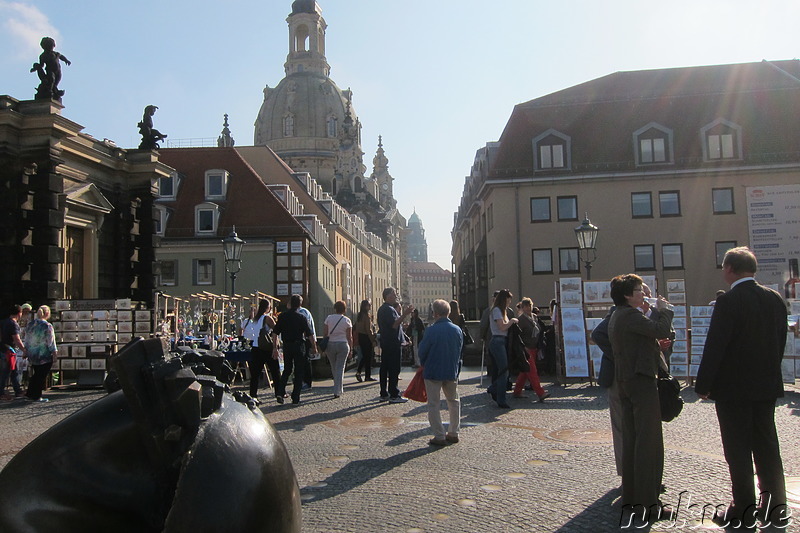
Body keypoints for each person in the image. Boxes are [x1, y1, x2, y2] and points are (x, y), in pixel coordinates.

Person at [695, 247, 789, 530]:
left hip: (733, 388)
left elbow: (716, 346)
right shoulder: (774, 299)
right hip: (765, 384)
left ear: (729, 269)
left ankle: (743, 508)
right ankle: (774, 507)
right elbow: (779, 342)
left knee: (737, 449)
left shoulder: (728, 302)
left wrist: (703, 385)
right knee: (767, 447)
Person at [608, 274, 674, 522]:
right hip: (640, 381)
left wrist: (656, 344)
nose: (643, 294)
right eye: (638, 290)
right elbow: (660, 328)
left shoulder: (620, 315)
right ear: (627, 295)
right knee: (649, 442)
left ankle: (632, 497)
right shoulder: (630, 315)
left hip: (626, 380)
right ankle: (648, 504)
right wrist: (664, 310)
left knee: (634, 440)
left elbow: (640, 341)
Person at [418, 299, 463, 446]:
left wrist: (424, 363)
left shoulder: (431, 330)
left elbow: (422, 352)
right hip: (451, 370)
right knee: (454, 402)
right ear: (448, 312)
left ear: (435, 313)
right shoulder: (457, 330)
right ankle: (453, 432)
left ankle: (439, 435)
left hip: (433, 371)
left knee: (434, 404)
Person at [591, 304, 622, 478]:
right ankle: (625, 472)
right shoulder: (618, 312)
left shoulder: (646, 314)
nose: (646, 296)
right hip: (618, 375)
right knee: (620, 425)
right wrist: (617, 355)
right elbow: (597, 334)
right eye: (642, 292)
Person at [272, 295, 317, 405]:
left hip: (287, 345)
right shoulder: (302, 317)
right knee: (299, 371)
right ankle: (295, 396)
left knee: (287, 369)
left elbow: (275, 333)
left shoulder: (283, 316)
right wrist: (314, 347)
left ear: (290, 303)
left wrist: (275, 347)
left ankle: (280, 392)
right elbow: (310, 334)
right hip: (299, 345)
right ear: (300, 304)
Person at [377, 287, 413, 403]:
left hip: (386, 341)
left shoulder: (382, 309)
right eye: (393, 294)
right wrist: (405, 314)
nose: (395, 296)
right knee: (394, 368)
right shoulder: (389, 309)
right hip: (392, 342)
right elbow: (394, 324)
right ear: (387, 296)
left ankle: (384, 393)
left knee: (384, 368)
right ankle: (394, 394)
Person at [512, 298, 549, 402]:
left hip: (534, 347)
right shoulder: (521, 320)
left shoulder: (534, 317)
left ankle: (517, 391)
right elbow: (517, 334)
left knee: (525, 371)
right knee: (532, 371)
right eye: (526, 306)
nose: (528, 308)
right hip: (526, 348)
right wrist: (522, 347)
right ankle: (540, 393)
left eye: (530, 306)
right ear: (522, 308)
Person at [487, 289, 518, 409]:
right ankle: (500, 396)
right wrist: (512, 321)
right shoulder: (496, 311)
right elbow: (502, 327)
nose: (509, 302)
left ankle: (495, 390)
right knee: (503, 370)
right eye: (508, 300)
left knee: (503, 370)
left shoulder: (500, 311)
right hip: (497, 341)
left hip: (500, 341)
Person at [247, 299, 281, 402]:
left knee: (255, 374)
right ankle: (279, 393)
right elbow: (277, 330)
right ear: (267, 307)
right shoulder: (267, 318)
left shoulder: (255, 319)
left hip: (255, 347)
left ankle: (253, 395)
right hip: (266, 347)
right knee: (275, 371)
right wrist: (275, 346)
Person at [23, 305, 57, 402]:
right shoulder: (47, 326)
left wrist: (26, 350)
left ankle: (30, 393)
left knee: (36, 374)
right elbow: (50, 341)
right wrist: (54, 353)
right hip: (44, 354)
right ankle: (37, 395)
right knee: (41, 376)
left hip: (32, 353)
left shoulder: (30, 324)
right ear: (47, 314)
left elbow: (27, 339)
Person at [323, 300, 353, 398]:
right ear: (344, 310)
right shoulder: (347, 320)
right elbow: (349, 337)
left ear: (335, 308)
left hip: (330, 344)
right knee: (340, 367)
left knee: (333, 367)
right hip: (343, 344)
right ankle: (338, 390)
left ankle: (338, 388)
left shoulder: (329, 318)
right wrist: (351, 349)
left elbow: (325, 333)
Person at [0, 305, 27, 400]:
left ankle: (17, 390)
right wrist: (24, 349)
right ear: (19, 313)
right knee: (6, 372)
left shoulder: (3, 322)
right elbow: (17, 339)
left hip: (3, 348)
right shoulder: (13, 324)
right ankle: (1, 393)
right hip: (9, 350)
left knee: (13, 371)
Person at [354, 300, 377, 382]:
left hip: (361, 337)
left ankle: (359, 372)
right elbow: (368, 330)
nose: (370, 306)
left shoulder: (359, 316)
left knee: (365, 356)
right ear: (365, 306)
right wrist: (373, 340)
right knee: (368, 357)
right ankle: (366, 375)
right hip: (366, 337)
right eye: (369, 305)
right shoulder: (366, 316)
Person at [296, 304, 317, 390]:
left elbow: (306, 328)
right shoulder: (304, 311)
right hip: (307, 338)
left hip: (305, 339)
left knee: (305, 361)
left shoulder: (302, 312)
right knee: (304, 361)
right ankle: (304, 382)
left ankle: (307, 382)